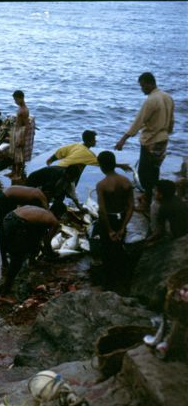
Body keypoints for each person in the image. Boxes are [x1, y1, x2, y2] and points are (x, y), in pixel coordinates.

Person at [115, 72, 175, 212]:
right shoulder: (167, 97)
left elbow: (138, 121)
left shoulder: (151, 100)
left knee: (144, 173)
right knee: (154, 170)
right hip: (163, 139)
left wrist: (123, 140)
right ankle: (152, 195)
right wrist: (166, 132)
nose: (142, 89)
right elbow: (171, 119)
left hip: (151, 141)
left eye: (142, 86)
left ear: (149, 84)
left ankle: (146, 203)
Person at [0, 206, 59, 301]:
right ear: (60, 215)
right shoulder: (54, 222)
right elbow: (47, 242)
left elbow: (39, 237)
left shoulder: (44, 213)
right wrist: (51, 254)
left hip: (10, 216)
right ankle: (4, 294)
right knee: (17, 260)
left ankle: (32, 261)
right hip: (16, 223)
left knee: (33, 239)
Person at [95, 151, 134, 286]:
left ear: (101, 166)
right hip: (122, 217)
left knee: (106, 249)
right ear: (114, 163)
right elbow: (131, 206)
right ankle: (122, 276)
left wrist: (110, 230)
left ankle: (109, 281)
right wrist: (123, 227)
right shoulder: (126, 181)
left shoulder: (102, 185)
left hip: (109, 220)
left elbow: (102, 210)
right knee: (120, 245)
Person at [0, 186, 48, 267]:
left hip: (9, 199)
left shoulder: (36, 194)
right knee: (3, 229)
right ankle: (4, 261)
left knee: (12, 228)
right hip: (3, 200)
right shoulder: (41, 198)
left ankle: (11, 252)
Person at [47, 130, 130, 182]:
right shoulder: (88, 154)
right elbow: (104, 163)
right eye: (94, 139)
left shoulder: (76, 145)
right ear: (90, 141)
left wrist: (51, 160)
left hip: (56, 167)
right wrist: (121, 166)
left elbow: (60, 151)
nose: (95, 141)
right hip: (65, 171)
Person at [146, 179, 188, 244]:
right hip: (184, 231)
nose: (153, 191)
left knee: (154, 206)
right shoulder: (177, 199)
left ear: (160, 195)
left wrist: (147, 240)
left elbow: (160, 230)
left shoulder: (163, 207)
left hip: (176, 236)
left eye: (155, 190)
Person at [8, 90, 34, 179]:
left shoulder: (24, 110)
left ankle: (18, 174)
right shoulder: (20, 108)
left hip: (20, 132)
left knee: (19, 155)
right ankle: (13, 172)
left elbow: (27, 125)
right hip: (17, 131)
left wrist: (22, 138)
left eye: (16, 100)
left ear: (21, 98)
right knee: (15, 154)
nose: (15, 102)